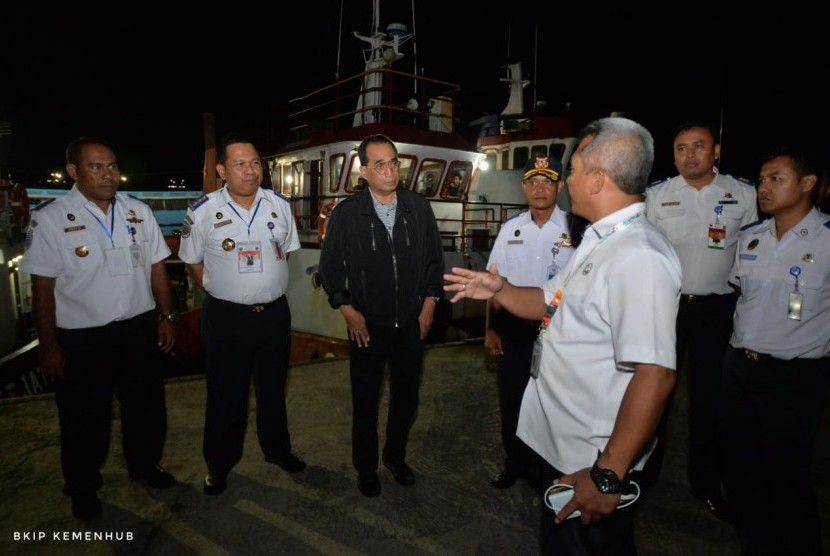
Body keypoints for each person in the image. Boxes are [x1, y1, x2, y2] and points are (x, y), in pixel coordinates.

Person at [444, 117, 681, 554]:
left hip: (592, 460)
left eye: (571, 170)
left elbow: (656, 374)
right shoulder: (599, 240)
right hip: (567, 448)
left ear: (596, 179)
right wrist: (500, 289)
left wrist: (608, 475)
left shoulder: (639, 256)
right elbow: (551, 302)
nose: (565, 179)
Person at [20, 137, 178, 520]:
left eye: (111, 166)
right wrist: (49, 346)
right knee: (83, 419)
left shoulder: (137, 211)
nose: (109, 174)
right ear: (74, 171)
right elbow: (43, 286)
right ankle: (83, 486)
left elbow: (157, 267)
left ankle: (144, 465)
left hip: (138, 330)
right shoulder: (52, 218)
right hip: (82, 338)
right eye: (96, 167)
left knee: (146, 408)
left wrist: (167, 316)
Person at [178, 133, 305, 496]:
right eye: (240, 164)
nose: (251, 171)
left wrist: (264, 286)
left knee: (273, 390)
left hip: (274, 316)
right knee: (225, 394)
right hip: (226, 318)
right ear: (221, 170)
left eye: (255, 163)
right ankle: (219, 464)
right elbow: (191, 260)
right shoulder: (201, 211)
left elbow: (287, 253)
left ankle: (278, 451)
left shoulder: (279, 205)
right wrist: (222, 291)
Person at [318, 133, 444, 497]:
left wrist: (430, 304)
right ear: (364, 171)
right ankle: (366, 468)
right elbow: (330, 268)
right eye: (380, 165)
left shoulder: (418, 209)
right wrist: (347, 308)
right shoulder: (347, 214)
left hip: (410, 324)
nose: (390, 172)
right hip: (367, 326)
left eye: (394, 163)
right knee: (366, 402)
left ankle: (395, 458)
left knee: (406, 399)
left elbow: (434, 261)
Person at [643, 120, 757, 521]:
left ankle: (706, 483)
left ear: (716, 151)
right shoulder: (656, 196)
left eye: (698, 146)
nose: (689, 155)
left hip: (717, 310)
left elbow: (752, 253)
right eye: (681, 148)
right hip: (666, 308)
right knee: (654, 392)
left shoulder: (743, 194)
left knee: (709, 400)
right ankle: (645, 474)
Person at [721, 146, 829, 556]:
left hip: (794, 378)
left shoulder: (827, 240)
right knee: (741, 472)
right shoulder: (751, 237)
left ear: (807, 183)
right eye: (762, 179)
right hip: (739, 370)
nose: (763, 188)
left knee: (787, 479)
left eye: (775, 179)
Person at [485, 155, 582, 489]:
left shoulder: (577, 228)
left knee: (555, 406)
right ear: (524, 187)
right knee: (513, 401)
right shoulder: (509, 229)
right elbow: (494, 283)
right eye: (533, 182)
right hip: (513, 332)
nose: (540, 188)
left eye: (548, 181)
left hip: (558, 333)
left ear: (560, 185)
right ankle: (515, 464)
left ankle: (550, 472)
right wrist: (491, 329)